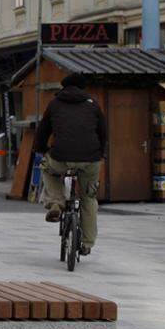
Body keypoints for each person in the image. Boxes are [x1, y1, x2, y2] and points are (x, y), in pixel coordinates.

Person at [36, 73, 108, 255]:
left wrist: (41, 148)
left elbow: (43, 130)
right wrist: (101, 153)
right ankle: (87, 243)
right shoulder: (92, 104)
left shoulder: (54, 104)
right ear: (83, 87)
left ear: (63, 86)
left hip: (61, 156)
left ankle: (55, 203)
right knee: (88, 198)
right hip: (90, 158)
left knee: (47, 168)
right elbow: (103, 131)